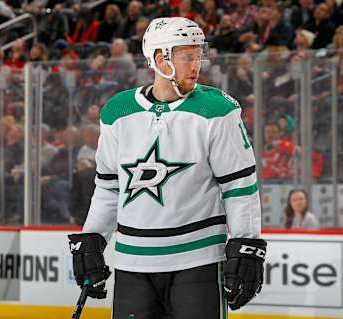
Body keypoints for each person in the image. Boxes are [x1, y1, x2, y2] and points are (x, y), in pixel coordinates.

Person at [68, 17, 267, 319]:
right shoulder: (117, 112)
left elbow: (240, 187)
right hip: (132, 264)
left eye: (198, 55)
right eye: (187, 56)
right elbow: (109, 185)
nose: (196, 65)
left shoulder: (218, 111)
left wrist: (246, 245)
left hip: (197, 262)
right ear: (161, 59)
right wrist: (93, 237)